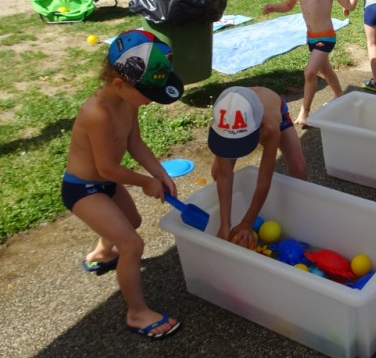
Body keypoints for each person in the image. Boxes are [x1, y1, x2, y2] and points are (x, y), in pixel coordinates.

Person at [62, 29, 184, 339]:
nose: (151, 100)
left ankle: (101, 254)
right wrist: (145, 182)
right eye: (148, 93)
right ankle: (137, 314)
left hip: (106, 184)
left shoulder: (128, 102)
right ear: (119, 83)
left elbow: (134, 143)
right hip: (83, 189)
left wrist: (159, 174)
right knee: (132, 244)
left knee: (132, 221)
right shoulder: (98, 113)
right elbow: (106, 167)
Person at [263, 0, 366, 126]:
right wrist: (274, 7)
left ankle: (305, 111)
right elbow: (288, 5)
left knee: (310, 72)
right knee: (326, 70)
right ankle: (340, 96)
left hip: (326, 37)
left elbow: (349, 5)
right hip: (311, 37)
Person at [208, 86, 308, 246]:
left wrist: (247, 222)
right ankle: (236, 205)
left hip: (275, 111)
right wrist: (225, 224)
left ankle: (297, 211)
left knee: (299, 168)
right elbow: (224, 175)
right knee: (217, 173)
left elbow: (263, 180)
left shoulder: (270, 128)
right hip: (241, 114)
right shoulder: (223, 124)